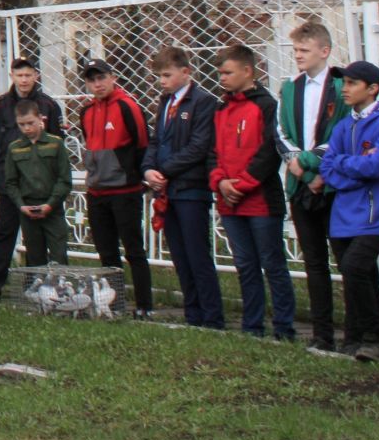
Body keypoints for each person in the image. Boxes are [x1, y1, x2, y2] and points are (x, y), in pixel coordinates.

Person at [316, 60, 379, 363]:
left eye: (352, 83)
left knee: (355, 268)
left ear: (373, 88)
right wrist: (351, 167)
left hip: (373, 213)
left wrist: (345, 165)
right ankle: (375, 339)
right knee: (359, 275)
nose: (345, 89)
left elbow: (376, 167)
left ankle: (370, 337)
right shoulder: (343, 125)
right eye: (344, 83)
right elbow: (328, 167)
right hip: (343, 215)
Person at [209, 44, 295, 340]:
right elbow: (213, 152)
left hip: (260, 202)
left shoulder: (266, 105)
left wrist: (241, 184)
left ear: (248, 71)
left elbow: (269, 152)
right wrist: (220, 181)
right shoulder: (221, 108)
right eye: (220, 73)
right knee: (245, 266)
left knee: (273, 265)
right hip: (229, 202)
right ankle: (252, 325)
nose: (222, 78)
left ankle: (284, 327)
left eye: (228, 72)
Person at [274, 22, 345, 352]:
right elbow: (280, 132)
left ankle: (362, 331)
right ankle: (322, 334)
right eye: (296, 51)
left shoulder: (341, 85)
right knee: (314, 262)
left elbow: (340, 134)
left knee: (347, 261)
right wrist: (301, 170)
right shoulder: (290, 87)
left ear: (324, 51)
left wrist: (315, 167)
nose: (298, 56)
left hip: (332, 185)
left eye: (304, 50)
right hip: (301, 183)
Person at [140, 46, 223, 328]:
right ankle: (192, 314)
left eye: (166, 75)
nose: (161, 81)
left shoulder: (202, 102)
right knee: (179, 254)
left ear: (185, 72)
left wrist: (164, 170)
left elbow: (199, 146)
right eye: (158, 76)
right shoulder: (165, 102)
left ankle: (212, 316)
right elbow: (156, 140)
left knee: (197, 254)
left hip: (191, 189)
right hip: (167, 189)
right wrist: (148, 169)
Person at [0, 59, 67, 300]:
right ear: (12, 76)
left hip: (42, 186)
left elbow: (57, 142)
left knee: (39, 239)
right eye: (20, 75)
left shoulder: (48, 106)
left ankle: (40, 288)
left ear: (36, 75)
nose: (24, 80)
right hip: (11, 184)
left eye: (28, 75)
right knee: (5, 233)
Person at [78, 59, 153, 319]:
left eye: (102, 78)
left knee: (133, 250)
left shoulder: (127, 106)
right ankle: (113, 302)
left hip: (124, 190)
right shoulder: (86, 111)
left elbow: (142, 142)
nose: (97, 84)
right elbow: (90, 144)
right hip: (97, 191)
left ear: (112, 78)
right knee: (106, 250)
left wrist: (138, 178)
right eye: (92, 80)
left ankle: (144, 305)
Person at [0, 101, 71, 268]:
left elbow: (64, 179)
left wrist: (51, 204)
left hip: (52, 208)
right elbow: (11, 182)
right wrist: (21, 205)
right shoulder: (14, 148)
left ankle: (60, 292)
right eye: (21, 124)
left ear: (40, 118)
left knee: (59, 257)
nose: (27, 128)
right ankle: (37, 292)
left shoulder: (55, 143)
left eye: (30, 123)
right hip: (28, 209)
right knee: (34, 257)